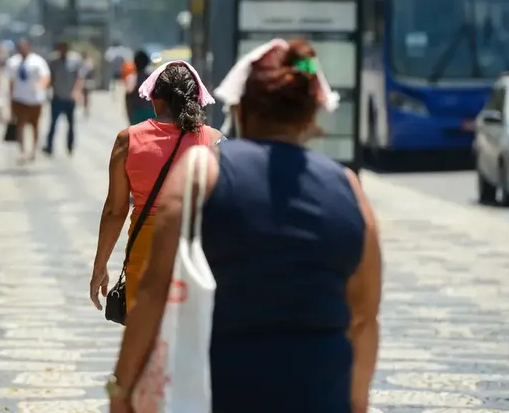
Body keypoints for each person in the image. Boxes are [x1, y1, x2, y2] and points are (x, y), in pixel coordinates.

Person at [106, 39, 382, 413]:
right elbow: (364, 318)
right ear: (309, 115)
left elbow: (154, 292)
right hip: (319, 392)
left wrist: (122, 388)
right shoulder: (350, 189)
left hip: (223, 390)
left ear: (242, 107)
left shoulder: (201, 173)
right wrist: (357, 403)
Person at [89, 60, 223, 316]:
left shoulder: (127, 140)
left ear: (155, 99)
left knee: (146, 340)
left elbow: (114, 211)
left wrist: (100, 266)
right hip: (197, 252)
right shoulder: (215, 141)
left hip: (146, 252)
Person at [5, 38, 51, 163]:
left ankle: (34, 150)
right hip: (19, 98)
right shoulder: (13, 62)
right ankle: (22, 150)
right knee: (20, 125)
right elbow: (10, 82)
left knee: (35, 125)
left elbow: (45, 76)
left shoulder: (37, 61)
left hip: (35, 100)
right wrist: (10, 99)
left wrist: (40, 86)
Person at [43, 41, 84, 157]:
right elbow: (50, 77)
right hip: (57, 97)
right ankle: (49, 146)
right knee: (53, 123)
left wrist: (76, 91)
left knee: (71, 124)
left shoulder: (75, 60)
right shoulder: (54, 62)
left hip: (69, 98)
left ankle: (70, 145)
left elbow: (79, 78)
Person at [123, 50, 157, 125]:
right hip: (150, 114)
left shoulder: (131, 78)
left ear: (135, 63)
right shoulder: (151, 78)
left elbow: (128, 96)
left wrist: (129, 114)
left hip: (136, 114)